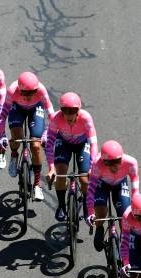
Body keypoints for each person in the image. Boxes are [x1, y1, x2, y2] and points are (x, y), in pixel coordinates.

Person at [0, 72, 55, 200]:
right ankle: (14, 154)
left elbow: (52, 116)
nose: (29, 96)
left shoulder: (41, 90)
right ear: (20, 89)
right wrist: (2, 136)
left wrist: (46, 133)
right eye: (26, 93)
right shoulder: (12, 90)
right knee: (16, 136)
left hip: (35, 109)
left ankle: (37, 184)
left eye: (32, 92)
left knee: (35, 145)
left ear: (36, 89)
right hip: (17, 108)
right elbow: (2, 116)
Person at [45, 92, 98, 221]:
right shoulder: (56, 118)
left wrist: (92, 167)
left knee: (85, 179)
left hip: (82, 145)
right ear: (61, 110)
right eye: (65, 110)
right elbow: (50, 144)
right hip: (64, 144)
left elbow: (93, 144)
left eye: (73, 111)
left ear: (78, 110)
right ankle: (62, 205)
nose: (69, 114)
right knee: (60, 174)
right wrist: (51, 168)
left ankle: (87, 205)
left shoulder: (86, 118)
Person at [85, 140, 139, 251]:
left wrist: (135, 209)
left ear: (122, 158)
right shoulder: (96, 163)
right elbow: (90, 190)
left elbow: (135, 190)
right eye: (109, 163)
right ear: (103, 161)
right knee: (101, 210)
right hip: (102, 184)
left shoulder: (131, 162)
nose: (114, 166)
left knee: (125, 216)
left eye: (117, 161)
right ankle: (99, 228)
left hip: (119, 185)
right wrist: (91, 213)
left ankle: (125, 248)